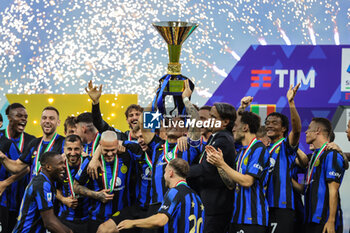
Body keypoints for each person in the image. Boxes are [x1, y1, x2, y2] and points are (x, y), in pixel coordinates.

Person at [206, 111, 270, 233]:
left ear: (245, 127)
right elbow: (231, 184)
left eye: (235, 125)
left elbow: (247, 181)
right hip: (237, 217)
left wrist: (222, 164)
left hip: (253, 218)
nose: (233, 129)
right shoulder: (241, 152)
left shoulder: (259, 149)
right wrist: (218, 165)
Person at [187, 97, 237, 232]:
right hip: (211, 203)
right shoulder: (216, 138)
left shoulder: (223, 140)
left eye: (213, 117)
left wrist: (183, 170)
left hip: (217, 205)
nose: (209, 120)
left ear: (225, 122)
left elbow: (207, 169)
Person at [117, 158, 205, 233]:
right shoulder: (196, 197)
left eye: (165, 172)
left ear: (170, 173)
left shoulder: (175, 192)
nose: (164, 176)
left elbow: (161, 220)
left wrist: (133, 223)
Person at [265, 83, 308, 233]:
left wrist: (291, 102)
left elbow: (296, 130)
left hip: (282, 207)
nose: (269, 126)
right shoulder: (262, 149)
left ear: (283, 128)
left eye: (274, 123)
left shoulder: (286, 146)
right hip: (263, 206)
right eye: (267, 123)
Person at [96, 125, 153, 233]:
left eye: (143, 136)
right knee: (104, 230)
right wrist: (95, 157)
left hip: (156, 210)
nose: (141, 141)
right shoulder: (136, 150)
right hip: (138, 207)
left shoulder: (163, 151)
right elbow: (108, 142)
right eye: (138, 138)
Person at [73, 130, 132, 233]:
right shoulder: (90, 163)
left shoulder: (127, 157)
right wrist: (96, 195)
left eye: (113, 150)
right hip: (97, 219)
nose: (109, 154)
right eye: (106, 150)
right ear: (100, 146)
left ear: (117, 145)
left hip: (121, 218)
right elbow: (75, 186)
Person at [303, 118, 345, 233]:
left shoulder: (332, 154)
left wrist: (331, 220)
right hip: (309, 219)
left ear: (317, 130)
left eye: (308, 129)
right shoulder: (313, 157)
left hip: (325, 221)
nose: (306, 132)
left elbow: (333, 190)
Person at [12, 151, 72, 233]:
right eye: (60, 163)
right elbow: (49, 222)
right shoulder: (41, 184)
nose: (64, 166)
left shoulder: (49, 182)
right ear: (48, 167)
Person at [0, 106, 65, 179]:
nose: (47, 121)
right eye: (44, 118)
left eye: (51, 118)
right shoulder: (34, 143)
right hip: (35, 189)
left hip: (52, 189)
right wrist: (3, 158)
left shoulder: (64, 143)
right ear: (40, 122)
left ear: (58, 122)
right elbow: (17, 167)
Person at [0, 103, 36, 231]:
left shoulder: (32, 141)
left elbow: (28, 169)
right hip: (3, 200)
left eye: (25, 116)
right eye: (19, 116)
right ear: (9, 118)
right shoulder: (0, 137)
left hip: (22, 201)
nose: (24, 119)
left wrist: (5, 183)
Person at [56, 135, 89, 232]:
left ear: (82, 149)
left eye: (76, 149)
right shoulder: (58, 166)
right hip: (65, 219)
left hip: (86, 219)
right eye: (69, 149)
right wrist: (63, 199)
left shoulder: (89, 164)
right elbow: (53, 188)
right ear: (64, 149)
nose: (73, 153)